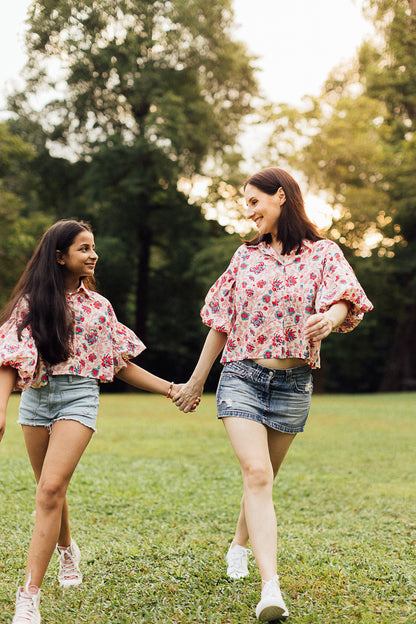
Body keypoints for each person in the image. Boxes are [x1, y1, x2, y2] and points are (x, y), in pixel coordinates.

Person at [172, 167, 373, 621]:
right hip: (242, 376)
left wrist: (331, 316)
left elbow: (346, 297)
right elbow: (220, 322)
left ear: (280, 196)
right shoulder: (245, 258)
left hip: (292, 385)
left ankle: (238, 545)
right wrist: (197, 380)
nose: (249, 212)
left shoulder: (323, 253)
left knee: (263, 479)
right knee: (257, 475)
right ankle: (270, 589)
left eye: (253, 201)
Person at [0, 219, 193, 624]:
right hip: (35, 400)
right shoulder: (32, 302)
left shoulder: (99, 308)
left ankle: (28, 596)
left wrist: (170, 388)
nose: (93, 255)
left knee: (51, 488)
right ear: (60, 256)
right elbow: (9, 358)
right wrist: (0, 409)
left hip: (78, 397)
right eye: (84, 248)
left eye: (93, 247)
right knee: (49, 491)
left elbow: (120, 364)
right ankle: (67, 549)